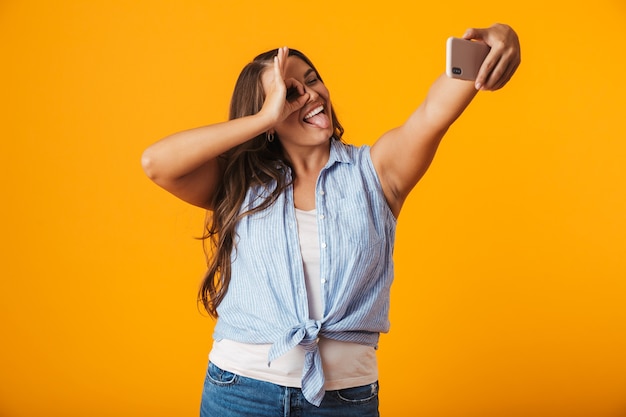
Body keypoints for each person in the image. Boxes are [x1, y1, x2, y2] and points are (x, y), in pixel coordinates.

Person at [142, 23, 521, 417]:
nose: (311, 95)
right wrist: (263, 118)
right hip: (240, 391)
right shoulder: (240, 185)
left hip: (344, 400)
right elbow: (156, 163)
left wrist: (498, 39)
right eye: (291, 92)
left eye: (313, 80)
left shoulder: (376, 173)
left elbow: (432, 114)